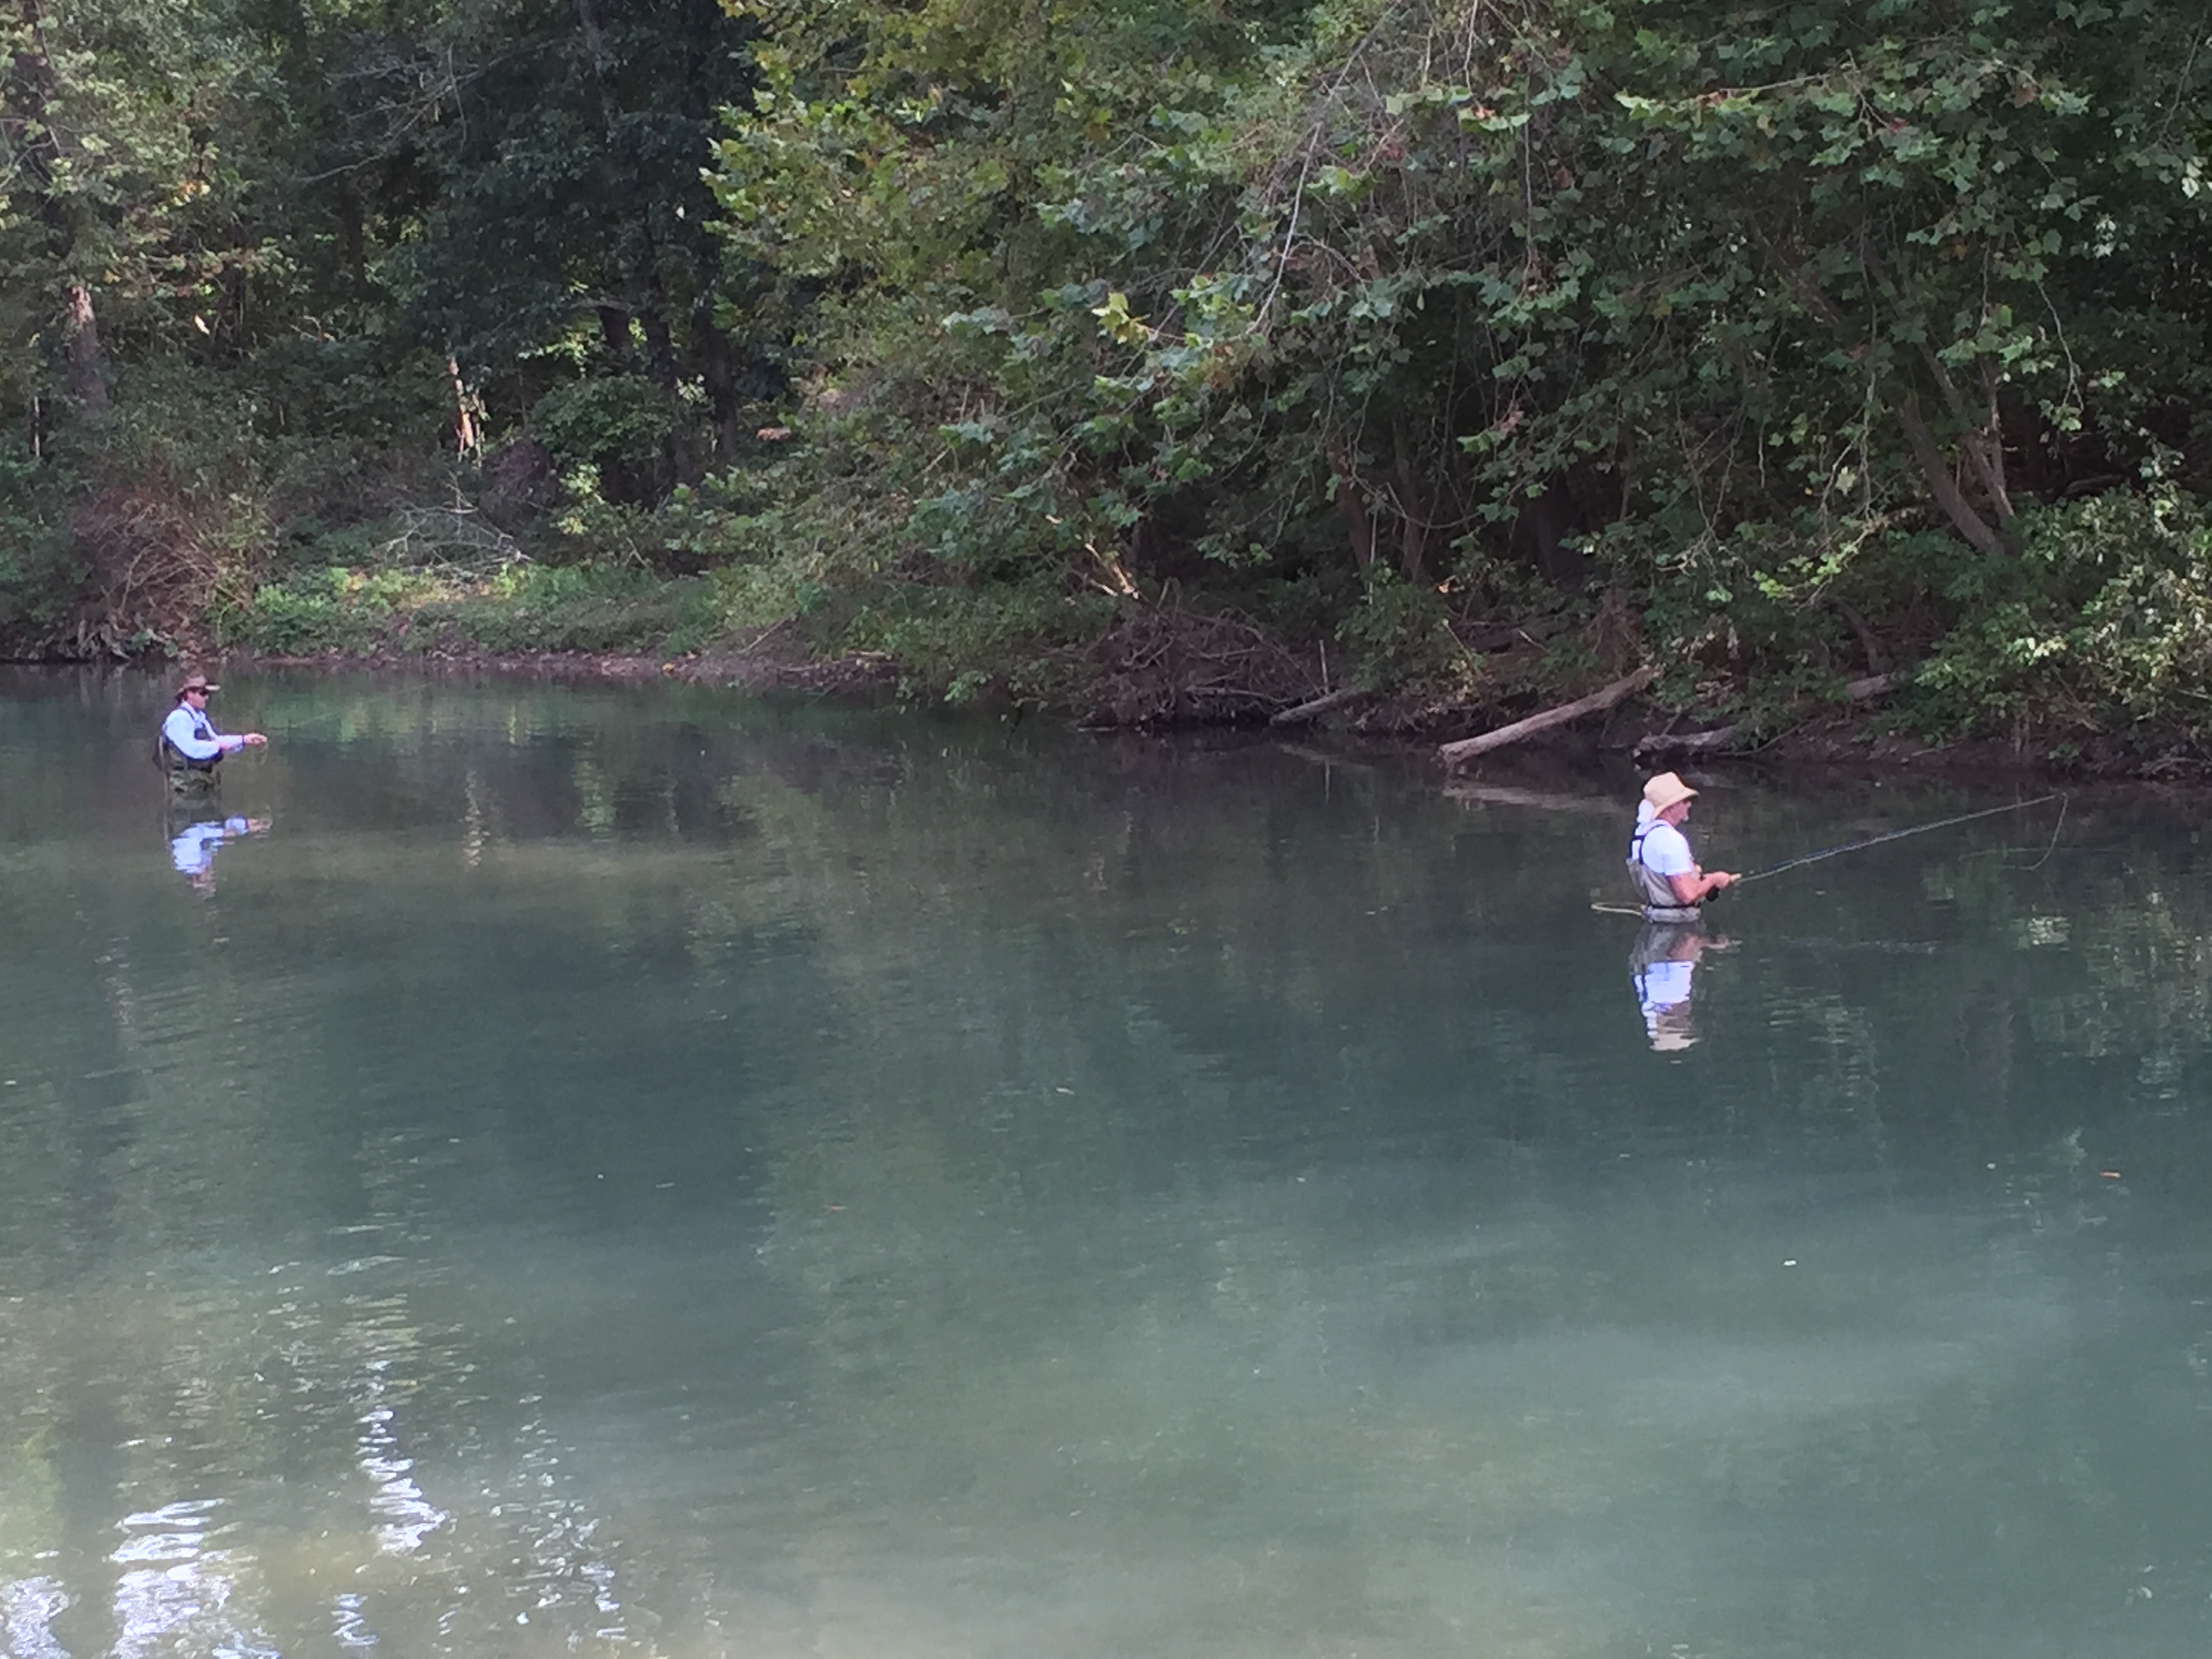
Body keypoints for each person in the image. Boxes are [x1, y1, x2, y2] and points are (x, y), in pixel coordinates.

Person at [1626, 771, 1736, 923]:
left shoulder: (1641, 834)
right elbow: (1687, 895)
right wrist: (1714, 879)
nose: (1689, 804)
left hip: (1653, 919)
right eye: (1684, 801)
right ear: (1671, 807)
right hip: (1678, 924)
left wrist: (1693, 873)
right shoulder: (1671, 840)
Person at [158, 673, 266, 800]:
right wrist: (218, 746)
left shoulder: (199, 717)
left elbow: (215, 739)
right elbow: (191, 749)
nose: (207, 698)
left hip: (200, 783)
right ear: (189, 694)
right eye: (203, 693)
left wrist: (243, 740)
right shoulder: (179, 719)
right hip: (185, 788)